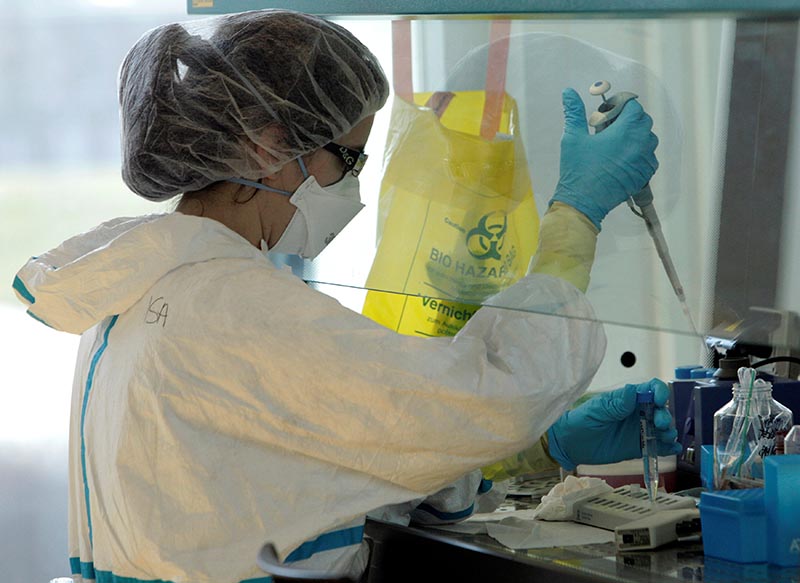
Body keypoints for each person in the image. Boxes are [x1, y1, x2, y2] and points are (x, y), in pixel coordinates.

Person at [12, 10, 679, 583]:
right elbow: (480, 401)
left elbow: (315, 453)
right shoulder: (237, 309)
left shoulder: (146, 281)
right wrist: (575, 215)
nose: (354, 188)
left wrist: (546, 446)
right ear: (265, 146)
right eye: (349, 158)